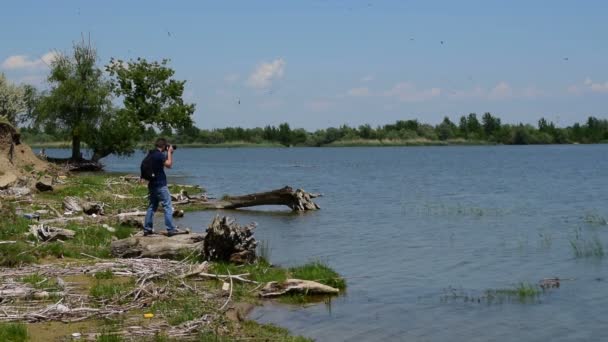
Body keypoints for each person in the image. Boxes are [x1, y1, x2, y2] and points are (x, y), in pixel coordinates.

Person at [143, 138, 184, 237]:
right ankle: (171, 229)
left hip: (152, 184)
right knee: (168, 207)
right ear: (164, 146)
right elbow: (169, 164)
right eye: (166, 146)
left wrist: (168, 153)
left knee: (152, 206)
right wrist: (169, 152)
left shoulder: (151, 154)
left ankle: (147, 229)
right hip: (160, 184)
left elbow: (159, 163)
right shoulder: (160, 155)